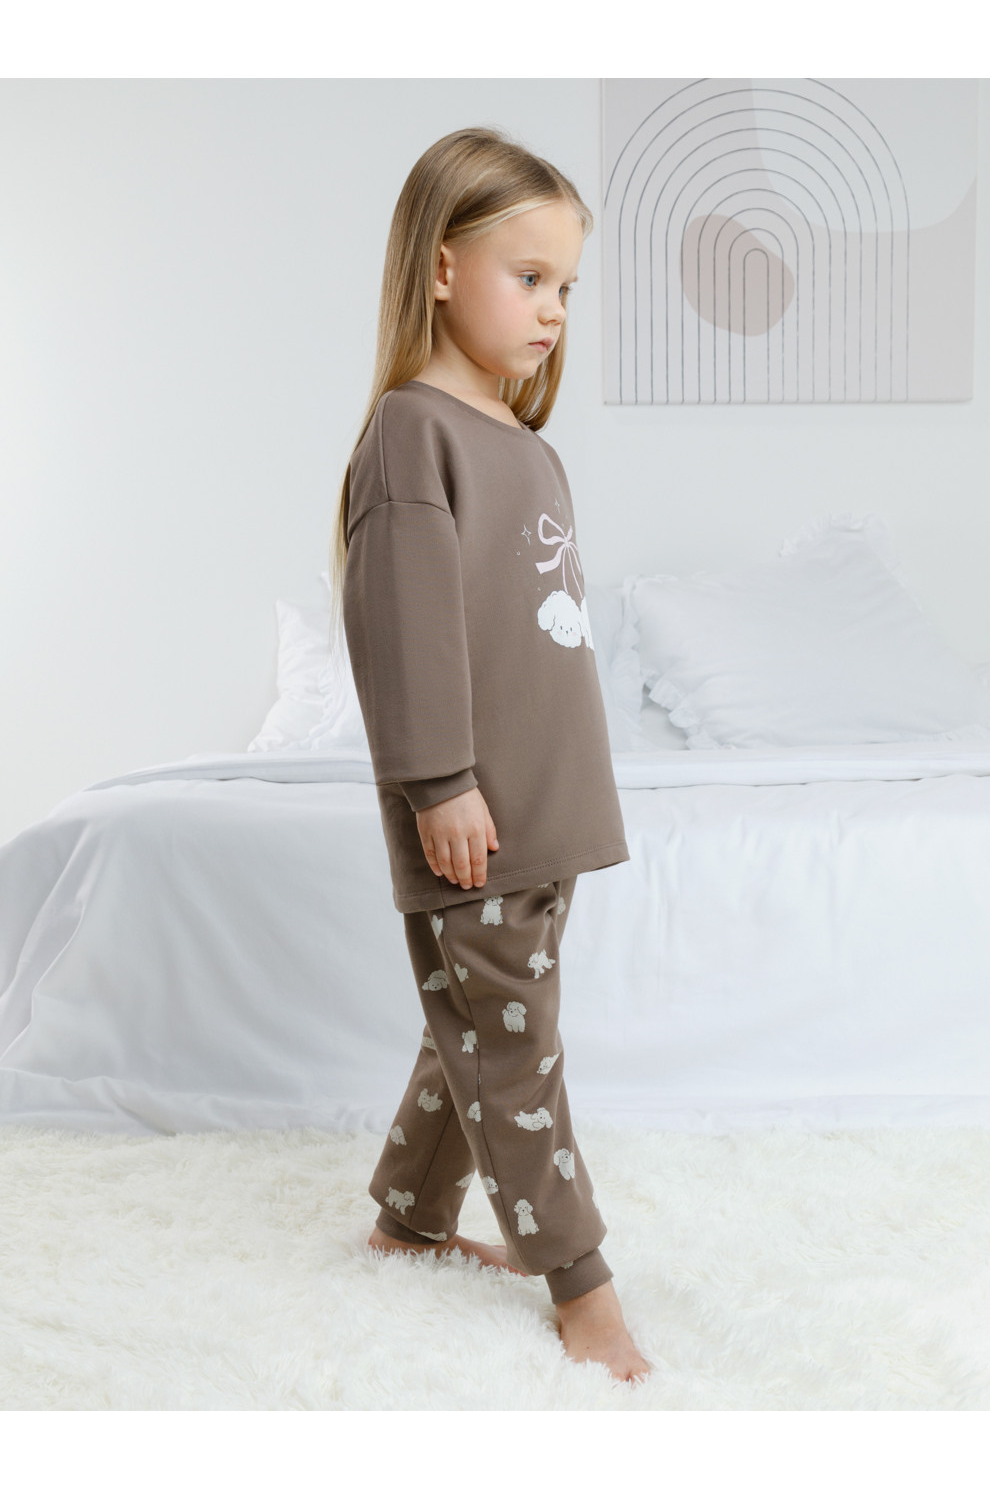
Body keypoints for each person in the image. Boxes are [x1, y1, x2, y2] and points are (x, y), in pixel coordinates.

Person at [328, 126, 650, 1386]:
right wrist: (439, 783)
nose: (555, 310)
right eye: (530, 278)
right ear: (442, 268)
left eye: (566, 285)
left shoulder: (527, 445)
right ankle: (582, 1285)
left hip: (544, 810)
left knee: (479, 1021)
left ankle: (409, 1220)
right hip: (477, 814)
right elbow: (404, 624)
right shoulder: (413, 434)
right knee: (514, 1046)